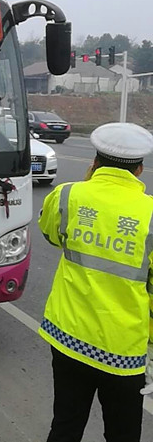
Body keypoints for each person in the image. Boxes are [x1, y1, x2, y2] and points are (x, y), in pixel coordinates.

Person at [38, 122, 153, 442]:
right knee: (123, 431)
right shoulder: (151, 213)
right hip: (123, 350)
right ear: (139, 170)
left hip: (68, 336)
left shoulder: (68, 194)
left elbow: (50, 234)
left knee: (66, 423)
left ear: (95, 161)